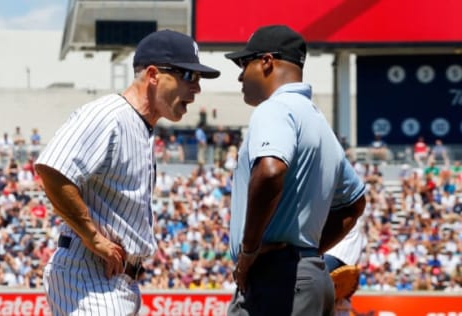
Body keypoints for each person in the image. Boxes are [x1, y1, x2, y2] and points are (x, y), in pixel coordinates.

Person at [34, 29, 219, 316]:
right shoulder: (109, 115)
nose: (196, 88)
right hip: (90, 274)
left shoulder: (140, 125)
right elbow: (52, 170)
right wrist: (93, 237)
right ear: (154, 74)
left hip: (113, 279)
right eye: (188, 76)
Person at [224, 25, 366, 316]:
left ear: (266, 61)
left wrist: (250, 252)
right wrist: (310, 253)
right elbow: (354, 203)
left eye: (243, 63)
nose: (240, 75)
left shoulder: (274, 108)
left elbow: (271, 170)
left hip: (278, 279)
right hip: (306, 276)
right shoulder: (318, 121)